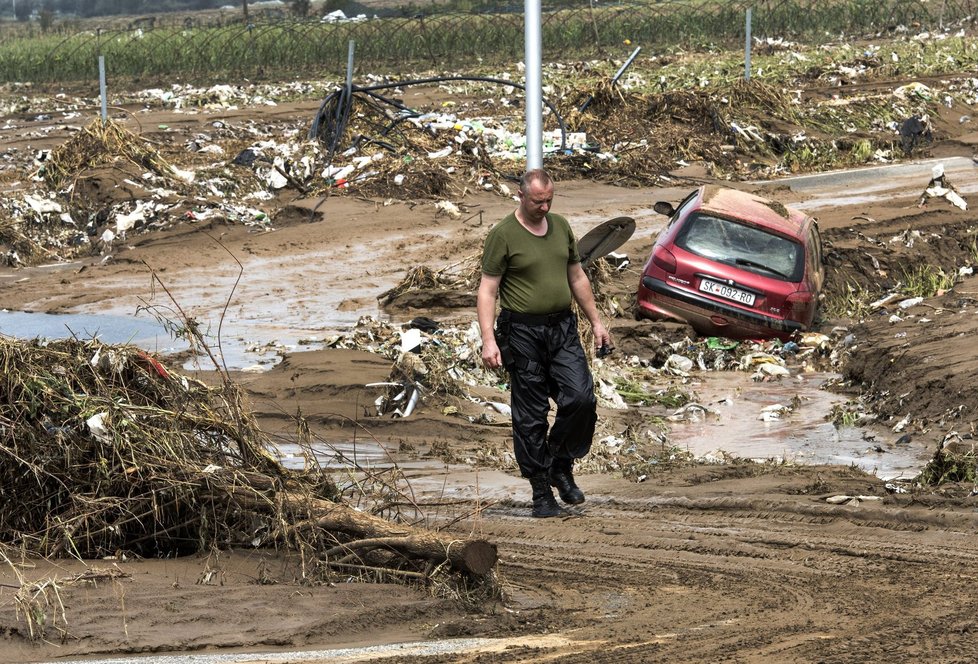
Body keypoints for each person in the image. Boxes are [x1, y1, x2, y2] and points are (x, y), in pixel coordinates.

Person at [477, 168, 613, 518]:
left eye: (549, 200)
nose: (545, 207)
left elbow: (576, 275)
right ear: (521, 196)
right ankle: (541, 493)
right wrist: (488, 340)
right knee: (531, 416)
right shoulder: (503, 235)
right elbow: (488, 289)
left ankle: (560, 463)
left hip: (562, 329)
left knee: (581, 398)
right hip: (522, 334)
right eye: (538, 201)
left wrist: (596, 322)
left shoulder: (561, 226)